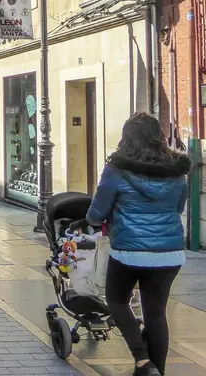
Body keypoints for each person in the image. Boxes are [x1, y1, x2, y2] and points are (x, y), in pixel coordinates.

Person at [71, 113, 189, 376]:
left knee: (116, 301)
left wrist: (93, 221)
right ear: (159, 136)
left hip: (129, 252)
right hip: (169, 254)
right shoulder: (177, 171)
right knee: (156, 314)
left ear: (127, 138)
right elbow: (178, 208)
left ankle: (142, 360)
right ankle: (157, 371)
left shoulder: (116, 170)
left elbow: (96, 214)